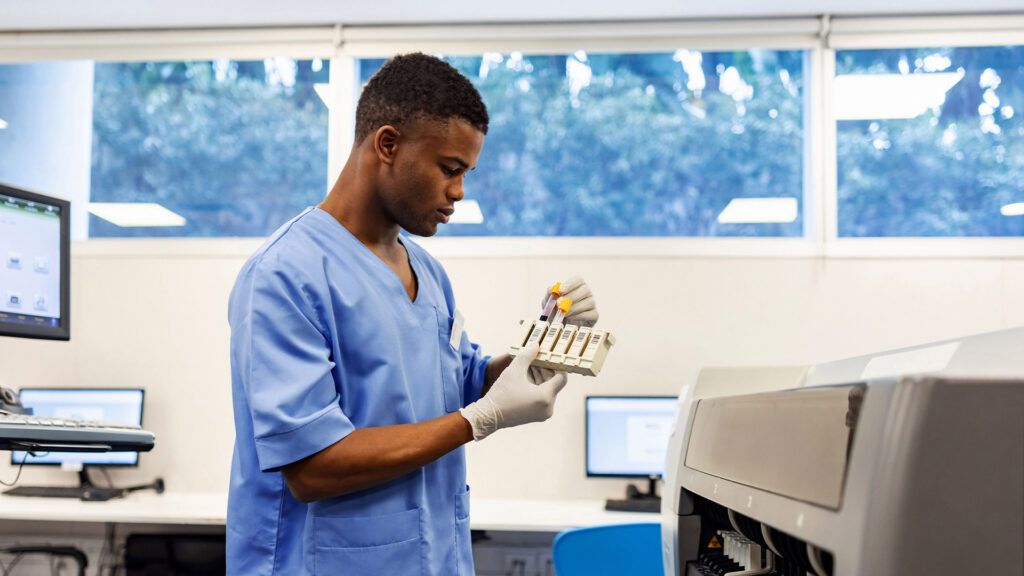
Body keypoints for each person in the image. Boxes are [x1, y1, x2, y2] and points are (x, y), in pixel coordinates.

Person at [226, 53, 599, 575]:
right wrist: (479, 421)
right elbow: (311, 467)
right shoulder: (286, 274)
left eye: (466, 173)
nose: (459, 193)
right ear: (387, 145)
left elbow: (458, 381)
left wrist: (537, 351)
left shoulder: (426, 270)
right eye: (449, 169)